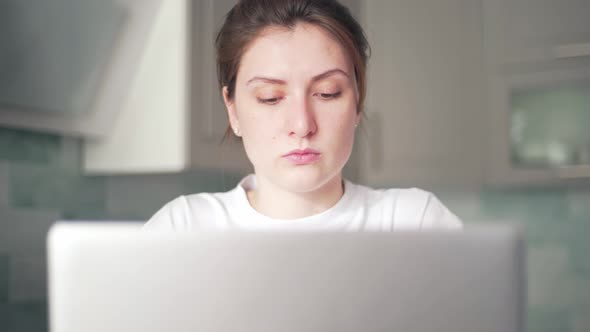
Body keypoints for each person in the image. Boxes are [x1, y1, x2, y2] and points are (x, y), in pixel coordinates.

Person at [144, 0, 461, 231]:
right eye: (270, 98)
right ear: (233, 109)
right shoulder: (182, 228)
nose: (302, 125)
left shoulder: (414, 222)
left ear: (358, 103)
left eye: (327, 93)